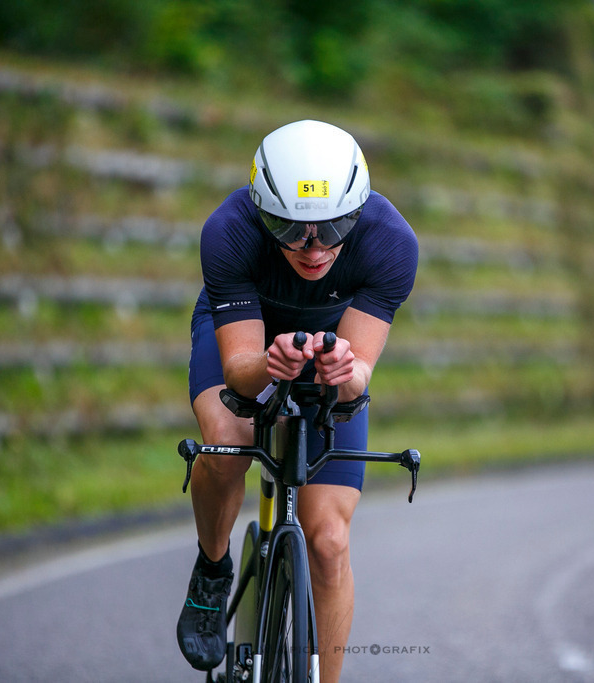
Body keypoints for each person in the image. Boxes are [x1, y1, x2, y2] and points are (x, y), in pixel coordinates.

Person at [177, 119, 419, 681]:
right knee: (226, 441)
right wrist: (268, 363)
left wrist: (346, 372)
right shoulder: (229, 231)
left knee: (330, 543)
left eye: (334, 227)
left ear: (358, 211)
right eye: (290, 229)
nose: (313, 248)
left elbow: (357, 376)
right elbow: (240, 372)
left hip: (330, 347)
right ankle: (213, 570)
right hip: (248, 338)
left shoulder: (390, 242)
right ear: (262, 213)